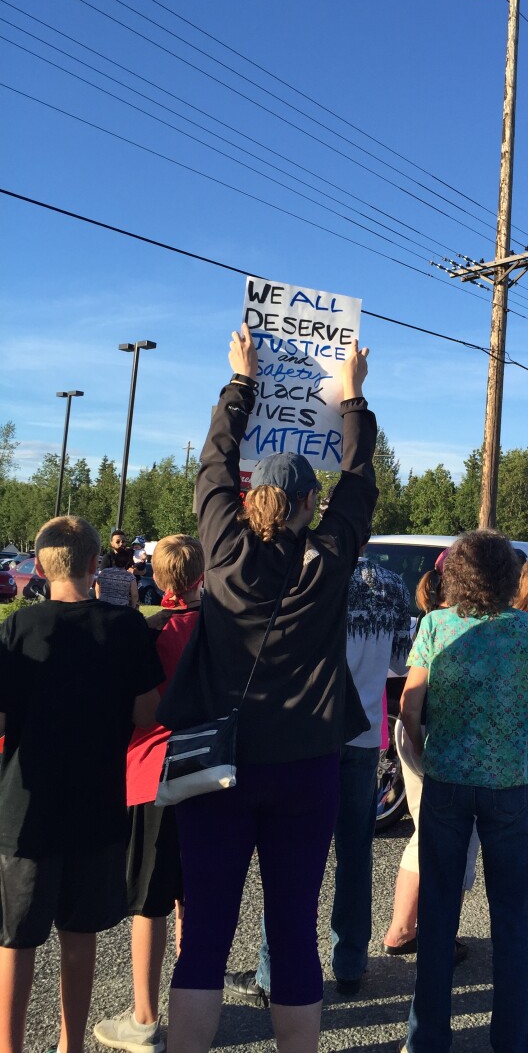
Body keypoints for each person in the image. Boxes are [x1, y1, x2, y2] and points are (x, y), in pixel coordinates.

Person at [157, 323, 376, 1053]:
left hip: (216, 764)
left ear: (250, 501)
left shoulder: (220, 547)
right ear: (312, 506)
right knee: (293, 930)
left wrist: (241, 381)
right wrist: (353, 398)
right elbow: (362, 478)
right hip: (306, 767)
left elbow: (215, 462)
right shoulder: (330, 560)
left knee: (205, 939)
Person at [226, 534, 411, 1003]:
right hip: (365, 732)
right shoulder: (391, 585)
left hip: (309, 734)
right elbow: (400, 659)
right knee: (355, 853)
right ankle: (350, 961)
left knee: (290, 858)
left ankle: (273, 972)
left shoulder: (306, 577)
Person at [0, 516, 162, 1053]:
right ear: (98, 565)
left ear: (40, 569)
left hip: (26, 802)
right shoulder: (125, 627)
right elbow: (146, 710)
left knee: (16, 936)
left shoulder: (16, 631)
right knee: (79, 932)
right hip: (96, 801)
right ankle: (72, 1044)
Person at [400, 531, 528, 1053]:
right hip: (509, 785)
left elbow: (410, 705)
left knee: (439, 915)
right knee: (511, 917)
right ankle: (513, 1038)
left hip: (447, 781)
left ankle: (428, 1038)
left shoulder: (435, 625)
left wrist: (424, 756)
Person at [93, 535, 205, 1053]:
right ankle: (194, 1006)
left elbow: (136, 710)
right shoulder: (221, 628)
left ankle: (144, 1017)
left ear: (155, 578)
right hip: (209, 770)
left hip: (155, 774)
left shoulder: (150, 631)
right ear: (202, 574)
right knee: (196, 894)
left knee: (150, 900)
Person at [382, 560, 476, 964]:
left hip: (417, 731)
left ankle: (404, 927)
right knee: (456, 835)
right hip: (435, 734)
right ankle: (429, 931)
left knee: (427, 829)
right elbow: (416, 698)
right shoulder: (454, 623)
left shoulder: (429, 620)